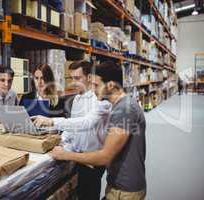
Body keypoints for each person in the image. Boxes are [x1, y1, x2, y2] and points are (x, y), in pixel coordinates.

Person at [50, 61, 147, 200]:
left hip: (125, 191)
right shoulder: (119, 106)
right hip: (117, 185)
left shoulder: (124, 110)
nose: (93, 89)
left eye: (96, 85)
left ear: (111, 85)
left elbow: (104, 156)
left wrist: (66, 155)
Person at [32, 60, 112, 200]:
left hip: (91, 160)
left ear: (88, 78)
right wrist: (59, 142)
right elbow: (72, 127)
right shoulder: (76, 99)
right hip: (76, 157)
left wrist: (52, 121)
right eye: (71, 78)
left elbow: (86, 123)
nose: (73, 82)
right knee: (77, 193)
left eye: (77, 78)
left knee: (89, 195)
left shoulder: (97, 100)